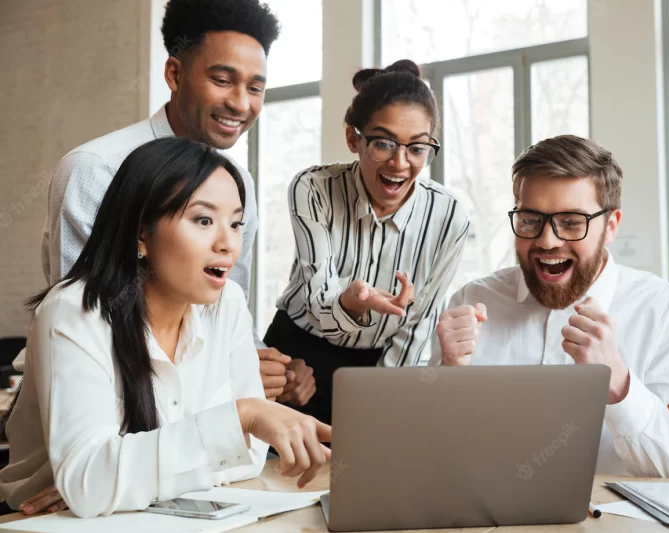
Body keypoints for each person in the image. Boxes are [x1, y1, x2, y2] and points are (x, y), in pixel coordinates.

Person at [0, 138, 330, 518]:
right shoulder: (74, 311)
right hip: (40, 522)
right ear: (141, 233)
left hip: (149, 517)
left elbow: (249, 458)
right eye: (203, 220)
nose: (228, 244)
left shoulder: (229, 305)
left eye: (236, 223)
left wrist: (124, 481)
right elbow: (90, 484)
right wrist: (240, 418)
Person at [30, 0, 293, 407]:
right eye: (223, 80)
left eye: (255, 88)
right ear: (174, 73)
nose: (241, 104)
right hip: (109, 407)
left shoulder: (238, 183)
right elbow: (81, 323)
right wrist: (226, 368)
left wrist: (262, 363)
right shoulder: (95, 169)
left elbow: (225, 305)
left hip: (200, 413)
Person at [431, 135, 669, 479]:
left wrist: (618, 384)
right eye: (529, 219)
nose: (547, 240)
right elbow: (433, 459)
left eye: (571, 222)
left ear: (610, 227)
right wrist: (448, 379)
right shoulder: (472, 300)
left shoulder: (667, 313)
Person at [264, 60, 470, 425]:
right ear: (353, 139)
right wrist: (352, 304)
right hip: (295, 358)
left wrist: (385, 402)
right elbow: (318, 301)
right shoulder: (313, 188)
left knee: (368, 475)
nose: (399, 163)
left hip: (376, 367)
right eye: (383, 143)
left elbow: (417, 328)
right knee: (269, 474)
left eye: (417, 148)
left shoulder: (449, 215)